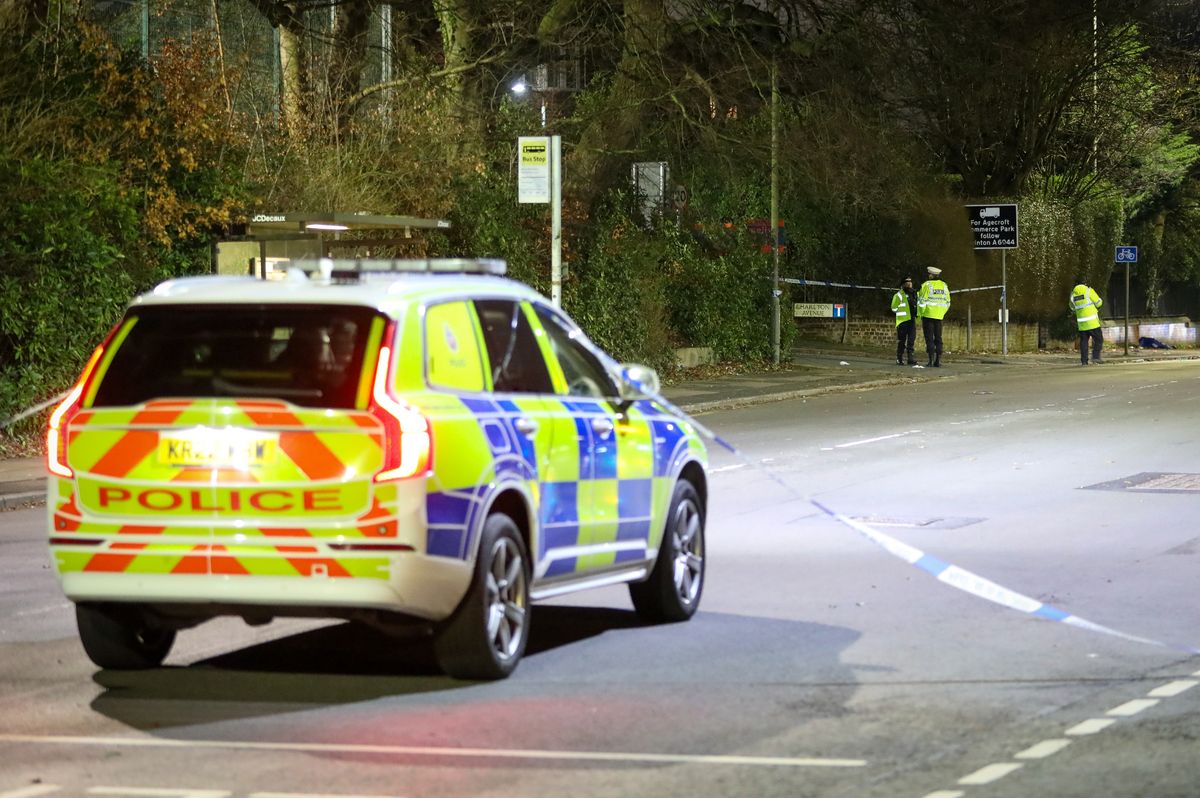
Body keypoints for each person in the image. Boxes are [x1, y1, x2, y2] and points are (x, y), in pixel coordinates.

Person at [917, 266, 951, 367]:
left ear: (931, 275)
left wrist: (920, 314)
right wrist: (942, 312)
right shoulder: (944, 286)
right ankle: (938, 361)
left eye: (929, 274)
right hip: (939, 316)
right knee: (938, 338)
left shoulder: (927, 285)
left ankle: (930, 360)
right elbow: (948, 302)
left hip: (928, 315)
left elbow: (922, 302)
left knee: (929, 338)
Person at [1069, 282, 1104, 365]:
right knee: (1099, 339)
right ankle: (1095, 357)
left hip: (1082, 323)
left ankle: (1084, 361)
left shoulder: (1073, 294)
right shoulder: (1088, 291)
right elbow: (1098, 303)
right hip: (1092, 322)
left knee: (1084, 342)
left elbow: (1072, 307)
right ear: (1084, 283)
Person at [891, 276, 918, 365]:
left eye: (910, 282)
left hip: (912, 320)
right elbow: (893, 308)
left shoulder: (914, 294)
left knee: (911, 340)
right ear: (903, 285)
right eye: (907, 283)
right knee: (902, 341)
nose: (909, 284)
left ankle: (910, 359)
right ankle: (899, 358)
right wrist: (901, 311)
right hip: (902, 321)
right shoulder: (898, 295)